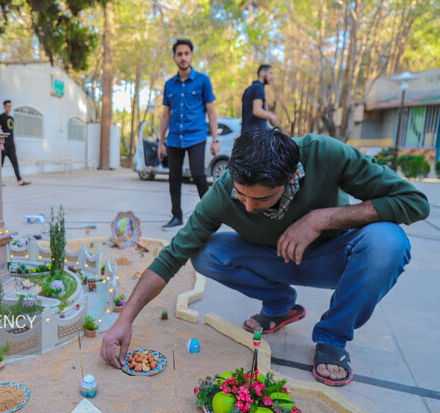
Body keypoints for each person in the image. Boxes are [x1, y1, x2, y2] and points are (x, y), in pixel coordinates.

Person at [101, 128, 430, 387]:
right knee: (204, 251)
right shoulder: (225, 190)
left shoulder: (324, 154)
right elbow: (172, 256)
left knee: (388, 241)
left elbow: (414, 202)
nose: (246, 207)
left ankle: (333, 338)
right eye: (241, 194)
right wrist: (125, 319)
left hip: (333, 257)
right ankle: (280, 306)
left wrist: (321, 219)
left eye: (261, 199)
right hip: (274, 259)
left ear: (291, 178)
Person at [158, 39, 219, 231]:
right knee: (173, 178)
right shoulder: (169, 85)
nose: (183, 57)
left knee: (199, 175)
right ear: (175, 57)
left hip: (196, 136)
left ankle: (211, 215)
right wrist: (161, 142)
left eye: (186, 53)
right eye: (179, 54)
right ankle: (176, 216)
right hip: (175, 138)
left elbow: (211, 110)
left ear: (191, 56)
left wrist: (215, 139)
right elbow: (166, 114)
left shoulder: (203, 80)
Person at [0, 100, 30, 186]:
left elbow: (11, 132)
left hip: (11, 145)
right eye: (7, 106)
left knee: (15, 162)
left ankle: (20, 180)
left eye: (10, 106)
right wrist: (0, 143)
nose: (9, 108)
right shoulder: (1, 117)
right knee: (0, 164)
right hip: (4, 144)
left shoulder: (11, 118)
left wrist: (14, 144)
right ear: (4, 107)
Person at [241, 64, 277, 133]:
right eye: (270, 73)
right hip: (256, 136)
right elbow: (257, 111)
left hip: (247, 134)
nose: (272, 77)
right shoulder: (259, 88)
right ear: (262, 73)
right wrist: (271, 116)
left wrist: (267, 113)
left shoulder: (249, 89)